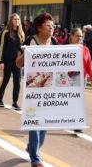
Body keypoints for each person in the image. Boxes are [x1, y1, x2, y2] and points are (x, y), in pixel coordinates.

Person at [23, 13, 57, 167]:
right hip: (34, 86)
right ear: (39, 27)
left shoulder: (54, 42)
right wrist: (25, 55)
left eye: (53, 25)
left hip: (50, 85)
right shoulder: (31, 41)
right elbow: (18, 64)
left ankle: (32, 147)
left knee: (46, 121)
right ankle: (35, 158)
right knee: (35, 120)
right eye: (48, 25)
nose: (52, 28)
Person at [69, 28, 92, 134]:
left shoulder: (85, 49)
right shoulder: (66, 48)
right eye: (77, 35)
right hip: (70, 78)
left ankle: (77, 124)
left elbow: (89, 64)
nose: (79, 38)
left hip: (82, 78)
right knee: (69, 101)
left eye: (81, 36)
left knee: (78, 102)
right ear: (71, 36)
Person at [0, 13, 25, 110]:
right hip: (7, 60)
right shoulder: (6, 32)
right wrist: (1, 61)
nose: (17, 21)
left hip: (17, 62)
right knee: (5, 80)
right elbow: (2, 47)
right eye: (15, 19)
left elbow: (22, 48)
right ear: (11, 21)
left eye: (18, 19)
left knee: (17, 82)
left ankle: (15, 102)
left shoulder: (21, 34)